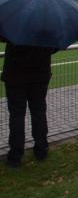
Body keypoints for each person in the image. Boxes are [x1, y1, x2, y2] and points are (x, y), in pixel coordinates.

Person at [1, 37, 57, 168]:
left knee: (17, 115)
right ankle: (41, 149)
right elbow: (54, 47)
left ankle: (15, 155)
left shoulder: (14, 22)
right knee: (38, 112)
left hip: (16, 74)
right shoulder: (46, 25)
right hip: (40, 74)